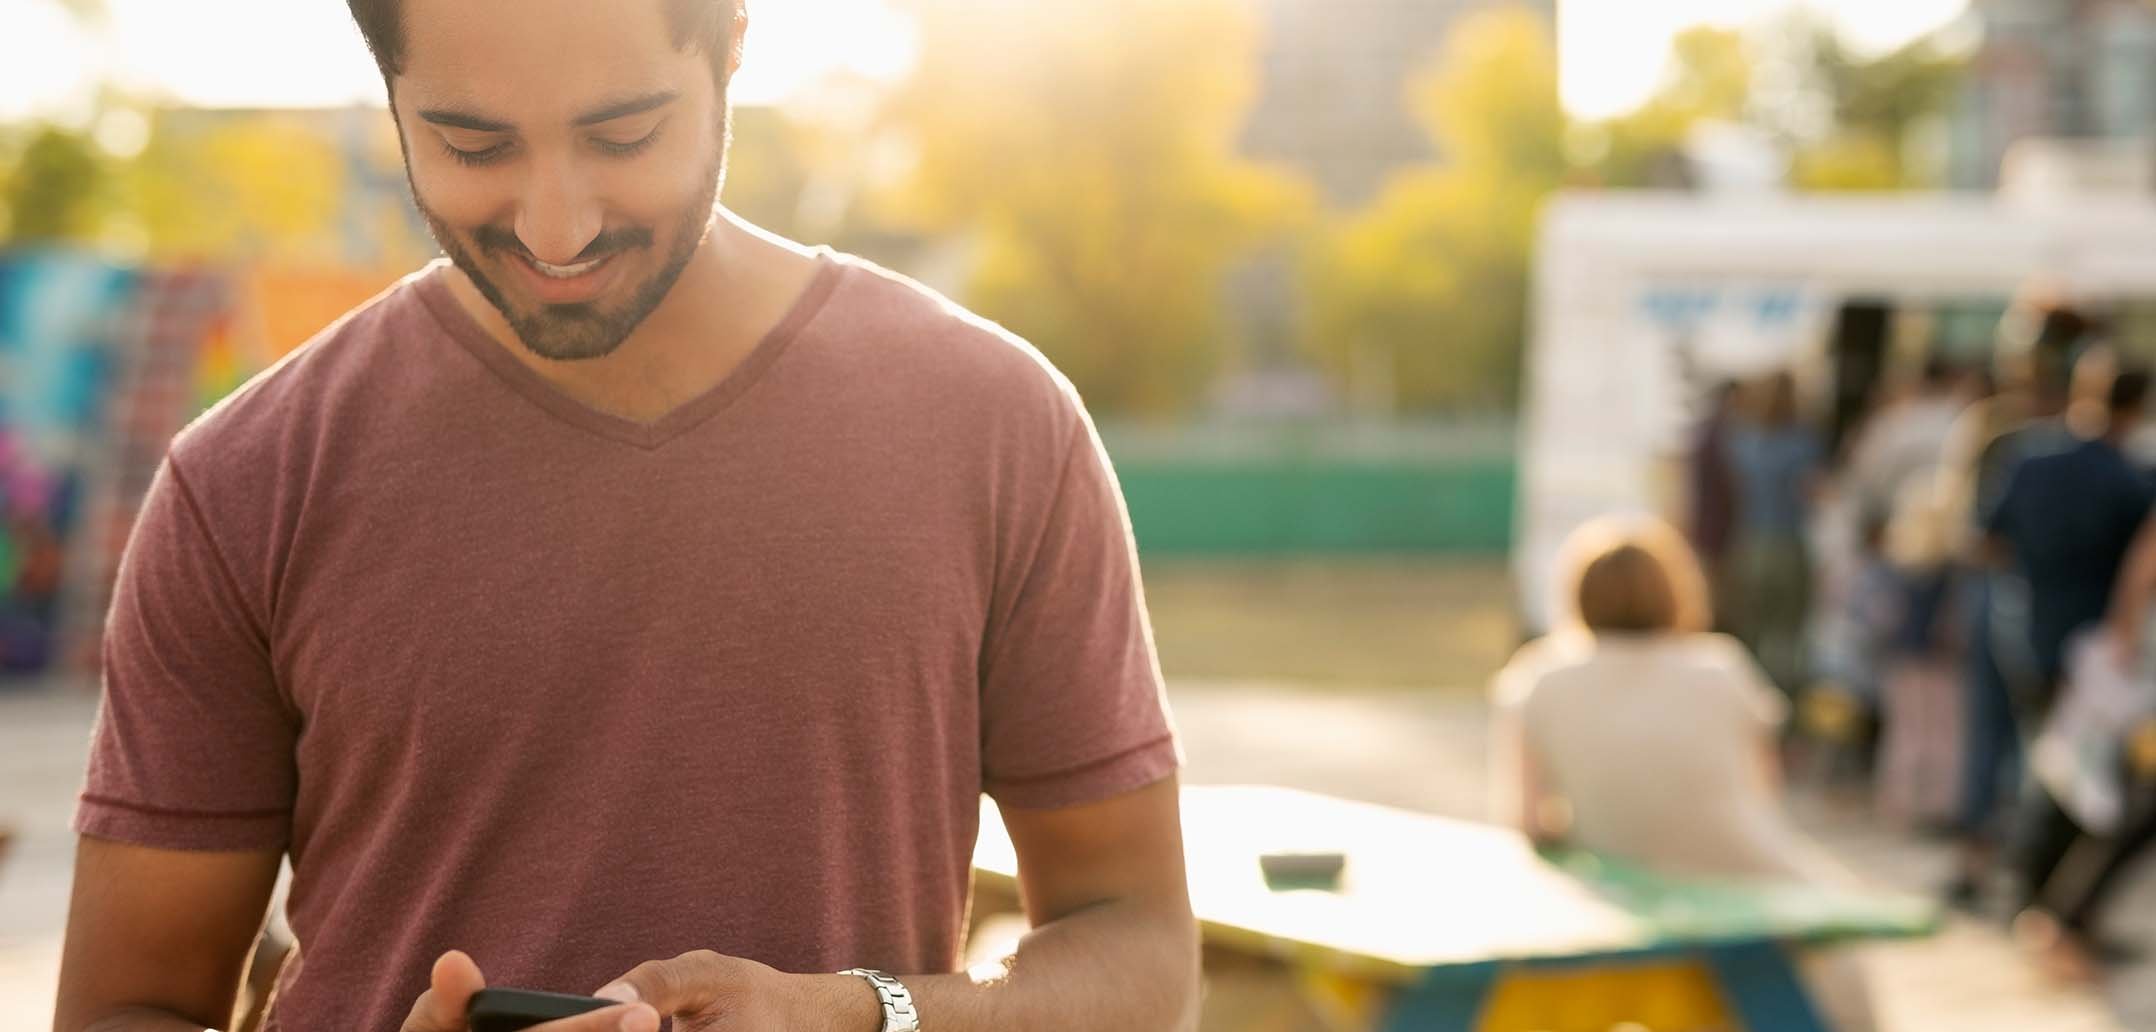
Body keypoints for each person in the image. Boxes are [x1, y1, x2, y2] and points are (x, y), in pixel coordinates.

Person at [52, 3, 1199, 1031]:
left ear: (734, 42)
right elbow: (127, 1006)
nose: (557, 228)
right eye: (472, 144)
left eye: (623, 134)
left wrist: (862, 1016)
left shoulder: (996, 425)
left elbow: (1141, 954)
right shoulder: (245, 481)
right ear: (388, 95)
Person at [1490, 515, 1874, 1031]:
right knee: (1836, 953)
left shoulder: (1537, 678)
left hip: (1624, 887)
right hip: (1749, 880)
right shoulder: (1722, 666)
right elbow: (1763, 793)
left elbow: (1528, 822)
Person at [1722, 372, 1826, 698]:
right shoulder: (1803, 442)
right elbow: (1813, 492)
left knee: (1750, 631)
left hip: (1749, 544)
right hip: (1787, 543)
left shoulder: (1744, 442)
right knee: (1785, 635)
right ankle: (1778, 704)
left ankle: (1746, 698)